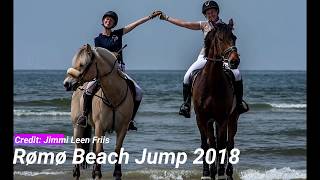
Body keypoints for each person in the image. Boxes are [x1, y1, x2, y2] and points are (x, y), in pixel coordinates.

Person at [158, 1, 249, 118]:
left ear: (217, 12)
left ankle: (239, 104)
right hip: (204, 57)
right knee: (187, 76)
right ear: (205, 15)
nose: (210, 14)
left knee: (237, 74)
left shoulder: (225, 27)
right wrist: (166, 17)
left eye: (212, 12)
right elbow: (185, 24)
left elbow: (229, 42)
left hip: (222, 59)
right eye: (208, 13)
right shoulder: (204, 25)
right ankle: (186, 105)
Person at [77, 10, 162, 130]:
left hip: (118, 69)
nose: (108, 20)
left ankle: (130, 120)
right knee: (88, 89)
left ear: (114, 24)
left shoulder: (118, 34)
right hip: (103, 72)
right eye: (106, 19)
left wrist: (149, 17)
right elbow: (98, 56)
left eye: (111, 20)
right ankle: (84, 116)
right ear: (103, 21)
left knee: (138, 92)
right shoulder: (98, 39)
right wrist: (112, 54)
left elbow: (134, 25)